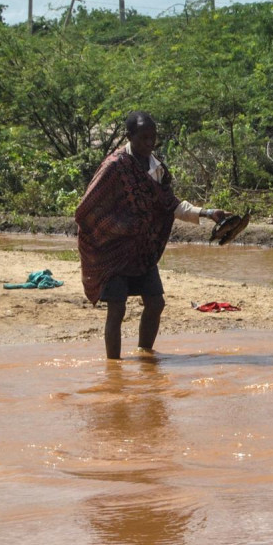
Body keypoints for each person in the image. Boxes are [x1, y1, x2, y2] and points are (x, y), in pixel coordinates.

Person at [74, 111, 228, 359]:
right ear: (130, 136)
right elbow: (87, 210)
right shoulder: (115, 167)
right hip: (113, 251)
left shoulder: (156, 168)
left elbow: (170, 205)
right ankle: (114, 367)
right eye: (144, 137)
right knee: (117, 309)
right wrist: (123, 227)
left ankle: (145, 356)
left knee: (156, 303)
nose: (149, 142)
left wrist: (209, 213)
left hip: (142, 251)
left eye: (153, 137)